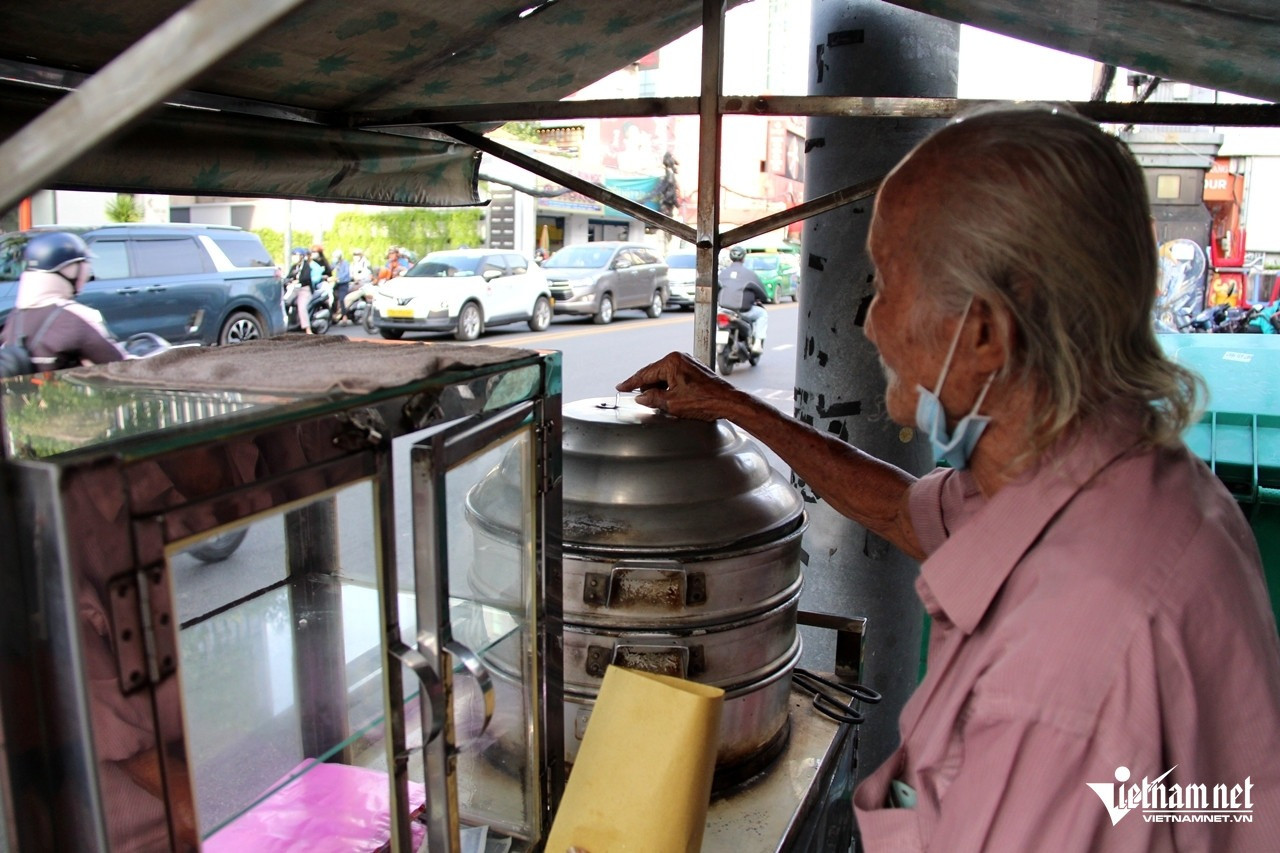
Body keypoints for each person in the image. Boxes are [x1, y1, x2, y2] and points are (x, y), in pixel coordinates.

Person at [617, 106, 1280, 850]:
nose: (869, 320)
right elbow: (907, 512)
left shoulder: (1061, 668)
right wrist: (732, 403)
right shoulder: (1094, 476)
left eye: (889, 281)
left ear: (987, 331)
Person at [0, 231, 126, 368]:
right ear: (69, 269)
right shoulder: (78, 318)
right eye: (84, 264)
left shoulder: (15, 317)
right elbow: (119, 366)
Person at [719, 245, 768, 354]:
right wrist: (764, 298)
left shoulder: (722, 273)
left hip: (724, 310)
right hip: (743, 312)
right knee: (762, 314)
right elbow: (763, 293)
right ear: (743, 258)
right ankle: (757, 344)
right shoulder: (750, 274)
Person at [286, 247, 314, 333]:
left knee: (302, 306)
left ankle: (307, 329)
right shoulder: (294, 267)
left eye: (296, 255)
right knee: (285, 302)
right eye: (293, 255)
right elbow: (288, 276)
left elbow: (306, 278)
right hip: (294, 289)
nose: (294, 257)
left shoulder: (306, 266)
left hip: (304, 290)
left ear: (301, 256)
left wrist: (297, 281)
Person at [331, 249, 352, 324]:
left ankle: (344, 316)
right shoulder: (334, 263)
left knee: (342, 299)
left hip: (344, 283)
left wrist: (338, 278)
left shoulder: (345, 263)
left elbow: (346, 274)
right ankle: (333, 314)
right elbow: (330, 269)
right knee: (332, 298)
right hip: (335, 284)